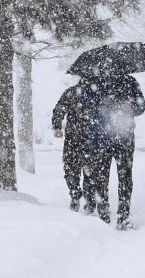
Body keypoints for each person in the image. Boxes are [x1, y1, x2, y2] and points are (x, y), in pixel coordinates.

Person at [81, 74, 145, 230]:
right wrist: (103, 106)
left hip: (124, 138)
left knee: (125, 177)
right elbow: (84, 107)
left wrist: (132, 106)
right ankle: (103, 215)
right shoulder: (93, 83)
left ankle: (124, 216)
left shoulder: (130, 82)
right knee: (101, 178)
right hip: (101, 139)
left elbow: (141, 106)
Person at [51, 82, 94, 213]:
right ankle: (82, 197)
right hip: (83, 138)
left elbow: (59, 108)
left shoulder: (73, 92)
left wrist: (58, 125)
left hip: (82, 139)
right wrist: (57, 125)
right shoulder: (77, 92)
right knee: (81, 170)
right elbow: (60, 108)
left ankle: (83, 197)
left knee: (75, 169)